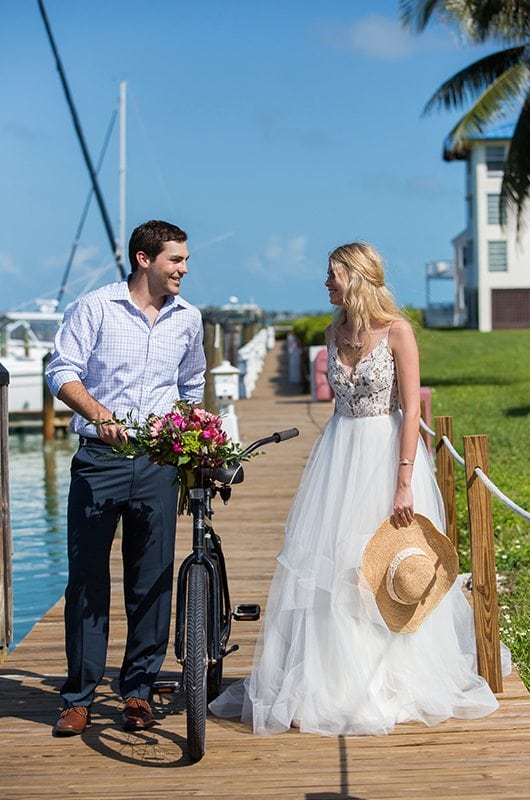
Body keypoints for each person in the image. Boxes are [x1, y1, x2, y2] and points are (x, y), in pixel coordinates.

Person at [209, 241, 510, 736]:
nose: (325, 283)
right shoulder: (333, 331)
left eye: (333, 274)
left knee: (387, 565)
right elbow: (337, 407)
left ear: (357, 276)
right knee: (336, 566)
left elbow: (412, 410)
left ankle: (395, 673)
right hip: (340, 453)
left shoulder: (397, 331)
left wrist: (405, 480)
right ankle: (333, 678)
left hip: (386, 451)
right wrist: (329, 471)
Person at [46, 219, 206, 736]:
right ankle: (78, 697)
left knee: (152, 582)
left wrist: (187, 431)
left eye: (184, 259)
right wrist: (99, 415)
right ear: (144, 259)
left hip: (159, 463)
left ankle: (138, 691)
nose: (184, 268)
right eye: (175, 260)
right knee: (88, 581)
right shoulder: (95, 308)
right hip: (100, 460)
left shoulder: (188, 318)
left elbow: (192, 383)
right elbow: (60, 370)